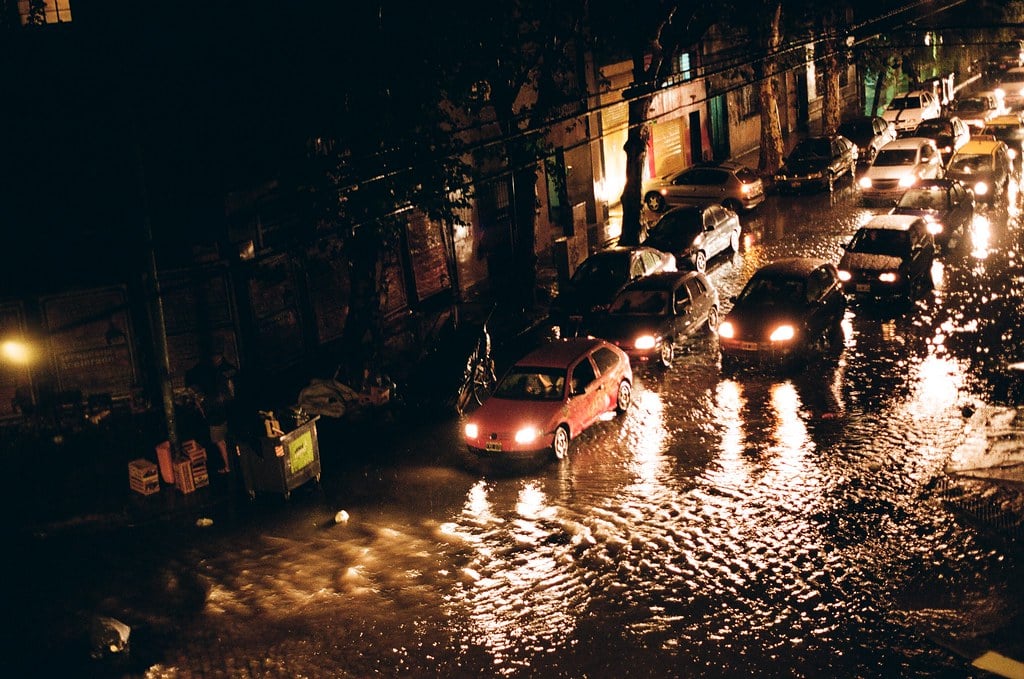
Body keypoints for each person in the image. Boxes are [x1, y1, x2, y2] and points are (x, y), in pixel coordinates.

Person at [186, 343, 238, 474]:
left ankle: (228, 466)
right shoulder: (230, 369)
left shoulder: (207, 373)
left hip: (217, 414)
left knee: (220, 442)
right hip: (231, 411)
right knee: (231, 439)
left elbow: (200, 394)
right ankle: (237, 464)